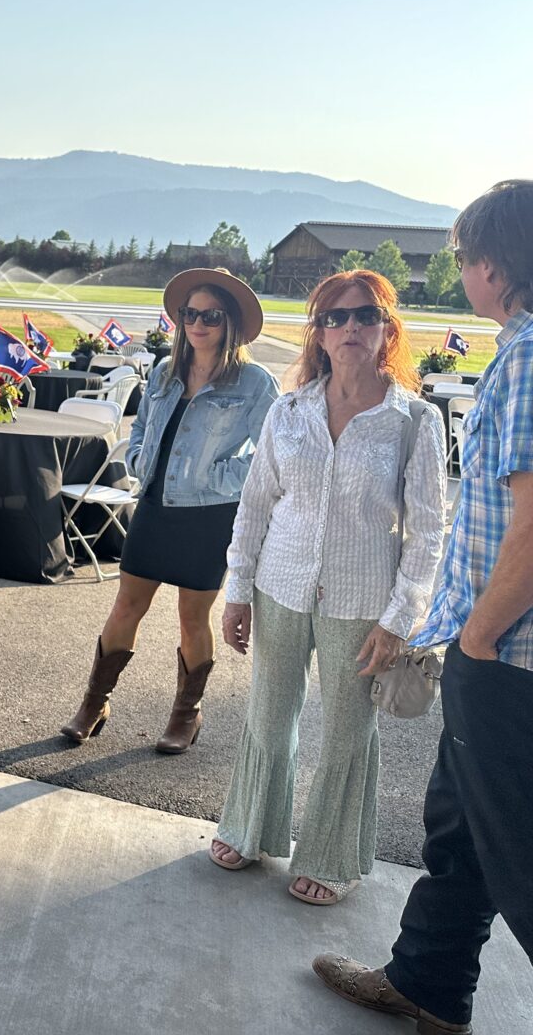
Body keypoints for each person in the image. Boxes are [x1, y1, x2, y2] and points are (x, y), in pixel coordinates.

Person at [314, 181, 533, 1033]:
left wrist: (477, 638)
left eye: (467, 257)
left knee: (516, 851)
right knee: (462, 827)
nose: (464, 270)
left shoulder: (527, 357)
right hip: (497, 647)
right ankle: (428, 986)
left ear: (493, 266)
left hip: (507, 653)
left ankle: (428, 985)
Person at [211, 270, 447, 905]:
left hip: (362, 602)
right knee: (268, 715)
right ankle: (249, 827)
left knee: (347, 733)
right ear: (317, 333)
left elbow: (428, 532)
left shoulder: (414, 421)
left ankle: (329, 856)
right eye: (334, 317)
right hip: (279, 586)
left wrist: (400, 618)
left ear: (387, 329)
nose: (350, 328)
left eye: (366, 315)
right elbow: (255, 506)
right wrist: (238, 590)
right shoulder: (288, 412)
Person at [62, 269, 277, 753]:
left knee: (192, 618)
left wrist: (217, 478)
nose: (197, 324)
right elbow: (141, 425)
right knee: (126, 607)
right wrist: (140, 458)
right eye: (189, 314)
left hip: (207, 515)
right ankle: (94, 703)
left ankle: (186, 714)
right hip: (155, 506)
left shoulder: (254, 383)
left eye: (210, 316)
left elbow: (272, 453)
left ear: (229, 322)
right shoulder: (164, 371)